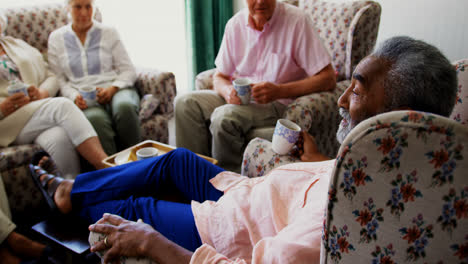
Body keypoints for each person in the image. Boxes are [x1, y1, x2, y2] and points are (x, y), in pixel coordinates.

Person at [30, 36, 457, 263]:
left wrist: (153, 245)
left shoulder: (343, 217)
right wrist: (316, 162)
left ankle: (70, 206)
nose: (343, 101)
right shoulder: (385, 169)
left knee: (136, 207)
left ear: (393, 120)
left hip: (234, 228)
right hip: (246, 192)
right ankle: (71, 192)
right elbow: (220, 72)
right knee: (177, 158)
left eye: (358, 92)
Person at [175, 0, 336, 172]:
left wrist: (279, 90)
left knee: (224, 117)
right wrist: (227, 91)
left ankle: (227, 185)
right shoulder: (235, 25)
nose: (260, 1)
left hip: (277, 102)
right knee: (185, 103)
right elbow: (219, 77)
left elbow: (328, 78)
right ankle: (192, 174)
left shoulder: (297, 21)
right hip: (239, 101)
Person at [0, 11, 108, 176]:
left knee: (59, 138)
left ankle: (72, 193)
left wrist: (42, 93)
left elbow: (51, 75)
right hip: (7, 124)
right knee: (62, 106)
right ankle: (108, 168)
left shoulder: (16, 45)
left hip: (35, 113)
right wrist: (2, 108)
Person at [48, 0, 142, 156]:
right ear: (68, 9)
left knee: (125, 107)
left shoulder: (109, 32)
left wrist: (112, 89)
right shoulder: (56, 38)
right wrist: (74, 97)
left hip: (115, 87)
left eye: (88, 7)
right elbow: (59, 79)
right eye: (78, 7)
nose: (84, 13)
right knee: (95, 120)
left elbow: (128, 70)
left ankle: (140, 164)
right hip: (83, 96)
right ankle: (113, 173)